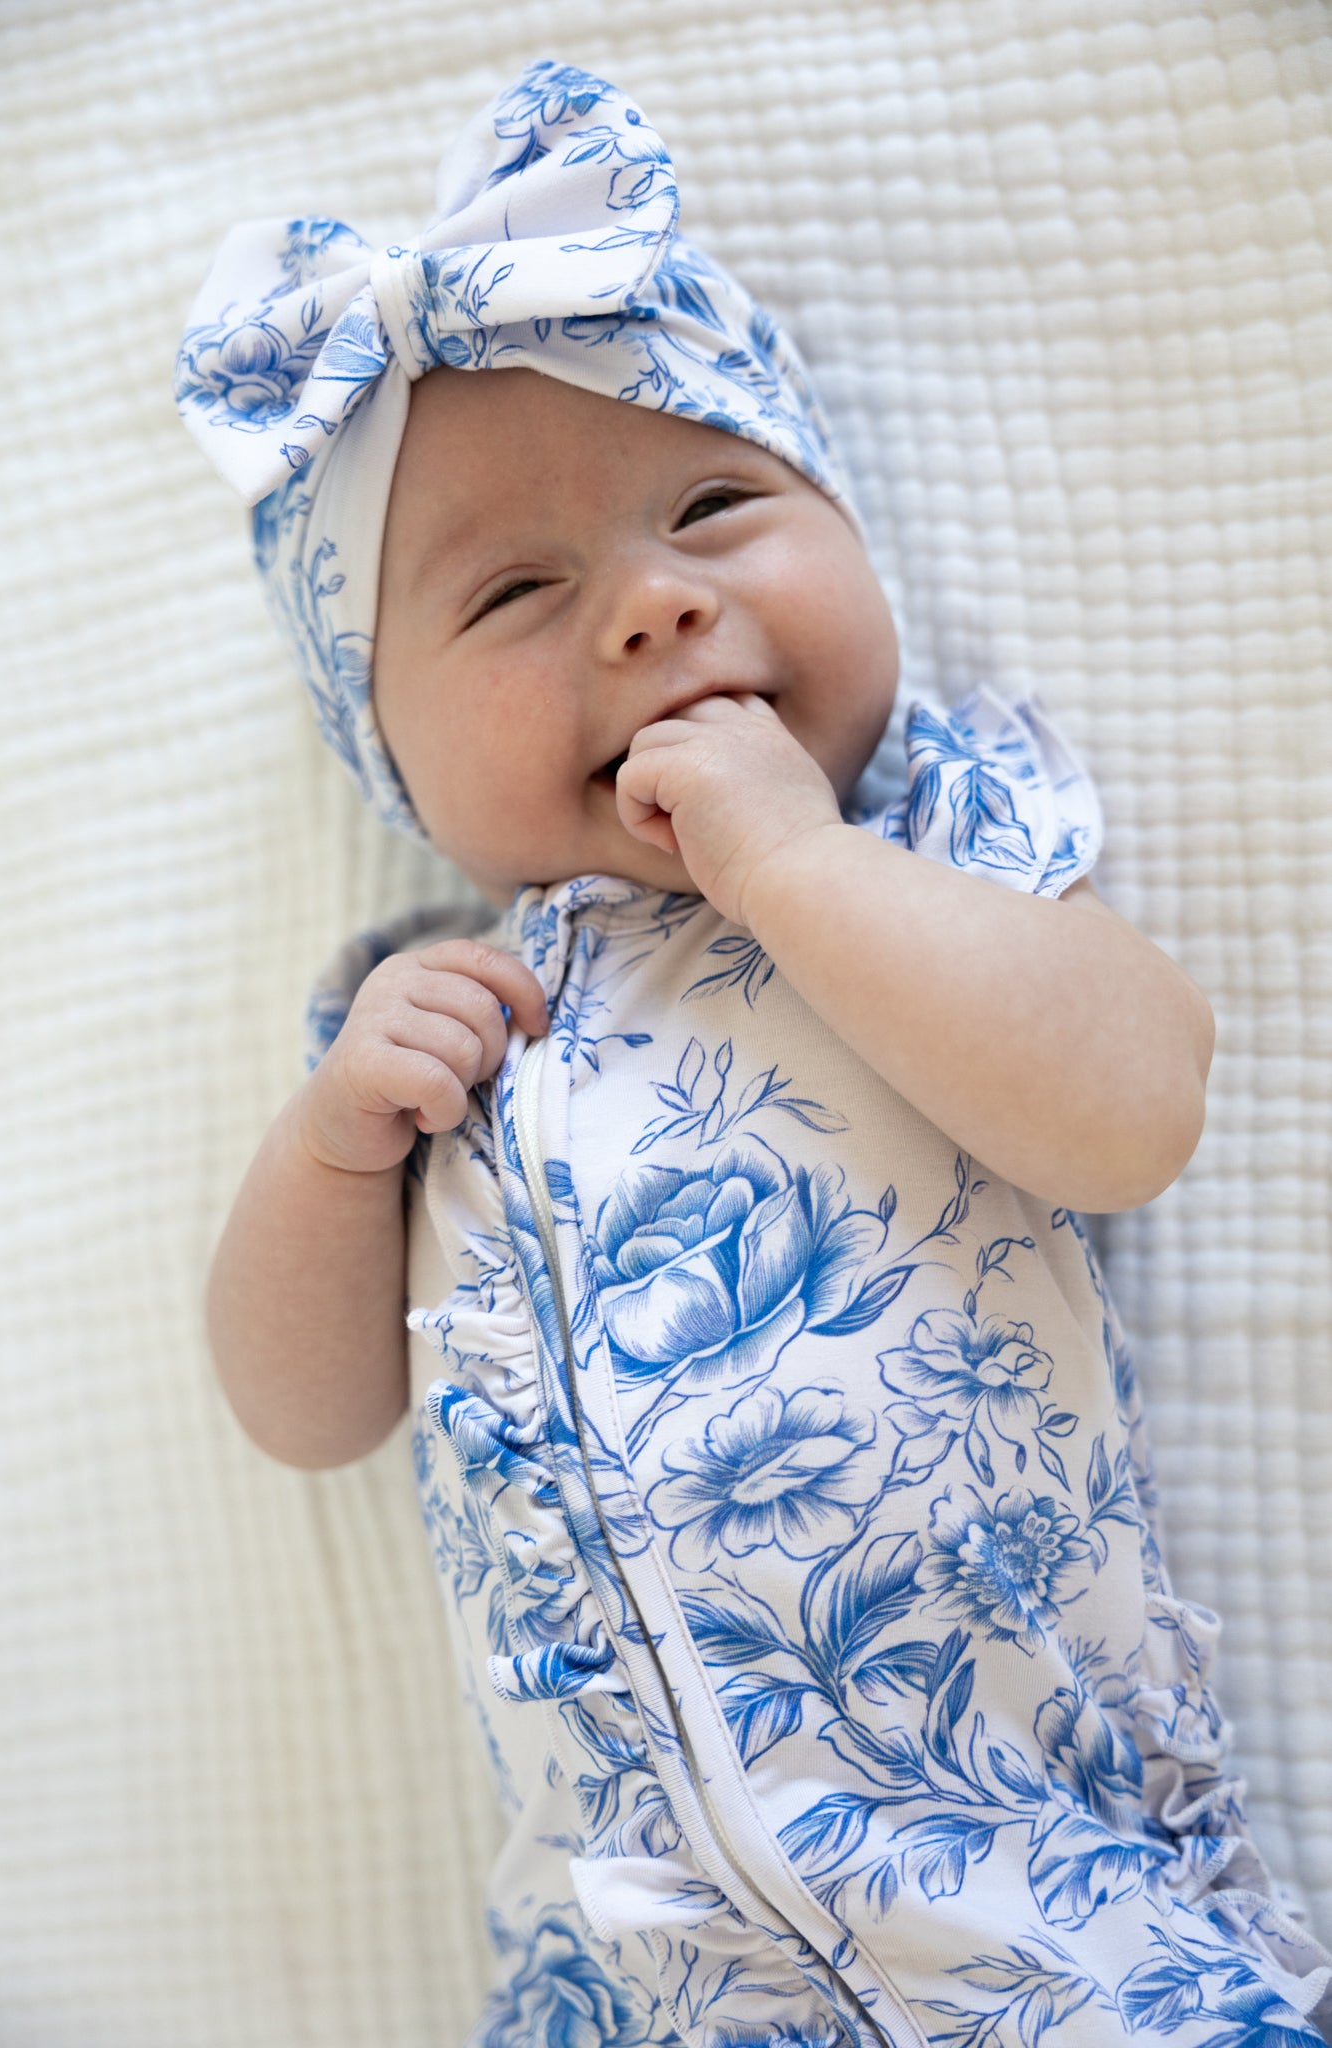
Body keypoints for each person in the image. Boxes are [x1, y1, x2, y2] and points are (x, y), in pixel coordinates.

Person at [174, 59, 1332, 2048]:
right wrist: (328, 1152)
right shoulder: (433, 1023)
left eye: (715, 504)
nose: (650, 604)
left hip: (1033, 1893)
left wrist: (794, 858)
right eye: (515, 593)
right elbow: (303, 1412)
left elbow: (1134, 1103)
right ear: (390, 756)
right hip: (625, 1972)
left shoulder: (918, 852)